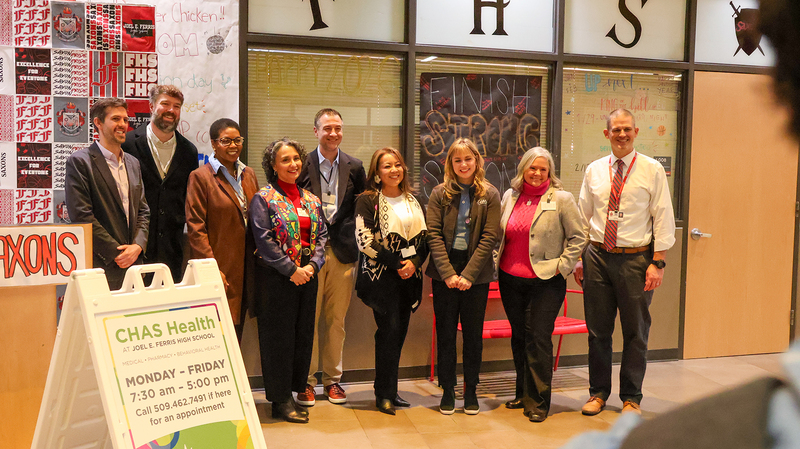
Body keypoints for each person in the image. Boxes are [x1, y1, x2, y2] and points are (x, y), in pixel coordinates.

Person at [574, 108, 676, 417]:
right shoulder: (593, 170)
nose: (622, 134)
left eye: (627, 129)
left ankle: (631, 397)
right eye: (616, 130)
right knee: (598, 331)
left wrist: (657, 263)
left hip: (636, 260)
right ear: (606, 134)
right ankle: (598, 393)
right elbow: (582, 217)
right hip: (596, 258)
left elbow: (663, 218)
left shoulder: (651, 169)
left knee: (635, 332)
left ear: (635, 132)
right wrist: (580, 258)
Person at [496, 147, 586, 422]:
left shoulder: (562, 199)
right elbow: (501, 234)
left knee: (538, 338)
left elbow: (579, 237)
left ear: (550, 173)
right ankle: (522, 393)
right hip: (510, 279)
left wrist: (563, 266)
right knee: (520, 337)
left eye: (542, 169)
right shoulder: (510, 196)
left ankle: (538, 402)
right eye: (532, 168)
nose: (536, 173)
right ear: (523, 168)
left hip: (546, 281)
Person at [250, 138, 327, 424]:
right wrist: (291, 269)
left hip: (307, 278)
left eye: (296, 158)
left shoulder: (311, 199)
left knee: (301, 336)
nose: (292, 164)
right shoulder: (264, 198)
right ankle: (278, 400)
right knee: (278, 339)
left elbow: (321, 236)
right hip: (277, 280)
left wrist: (312, 266)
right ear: (273, 165)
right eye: (285, 160)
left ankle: (291, 393)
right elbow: (264, 240)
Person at [425, 138, 500, 415]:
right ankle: (447, 390)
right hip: (444, 272)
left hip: (476, 275)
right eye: (457, 160)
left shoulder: (490, 194)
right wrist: (447, 273)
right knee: (445, 335)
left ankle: (470, 391)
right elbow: (433, 234)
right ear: (450, 164)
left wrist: (468, 274)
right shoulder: (438, 194)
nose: (463, 164)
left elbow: (490, 237)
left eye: (468, 159)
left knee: (472, 336)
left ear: (477, 161)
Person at [297, 108, 366, 406]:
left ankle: (333, 381)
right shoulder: (301, 164)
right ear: (316, 132)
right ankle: (307, 381)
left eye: (337, 128)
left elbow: (362, 207)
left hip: (342, 252)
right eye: (327, 128)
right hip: (309, 253)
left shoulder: (355, 166)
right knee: (308, 320)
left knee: (336, 320)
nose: (333, 133)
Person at [354, 147, 428, 415]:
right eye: (387, 166)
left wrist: (414, 264)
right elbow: (365, 241)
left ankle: (391, 390)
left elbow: (425, 240)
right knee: (388, 333)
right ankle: (382, 394)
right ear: (376, 172)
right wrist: (398, 264)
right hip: (382, 279)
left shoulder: (413, 199)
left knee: (398, 335)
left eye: (397, 164)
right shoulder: (367, 200)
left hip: (410, 278)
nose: (394, 170)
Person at [65, 98, 149, 290]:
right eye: (116, 119)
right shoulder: (79, 162)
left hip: (135, 267)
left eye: (125, 120)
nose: (122, 125)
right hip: (102, 267)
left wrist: (138, 246)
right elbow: (81, 216)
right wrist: (117, 253)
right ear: (98, 123)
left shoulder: (133, 163)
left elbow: (143, 211)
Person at [185, 119, 258, 340]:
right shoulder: (200, 177)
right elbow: (195, 227)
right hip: (221, 265)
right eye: (226, 141)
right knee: (217, 332)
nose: (233, 145)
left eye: (237, 140)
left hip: (248, 265)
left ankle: (236, 375)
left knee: (239, 329)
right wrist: (211, 267)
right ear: (214, 144)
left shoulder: (249, 174)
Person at [122, 85, 198, 283]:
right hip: (133, 248)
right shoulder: (127, 144)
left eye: (177, 106)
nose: (171, 110)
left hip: (172, 252)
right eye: (165, 104)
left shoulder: (189, 151)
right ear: (151, 106)